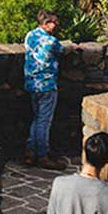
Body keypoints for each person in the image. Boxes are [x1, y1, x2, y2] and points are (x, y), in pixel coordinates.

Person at [23, 10, 68, 168]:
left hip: (31, 84)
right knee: (44, 121)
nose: (55, 25)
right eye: (53, 22)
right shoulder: (51, 41)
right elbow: (63, 50)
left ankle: (30, 150)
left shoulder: (30, 35)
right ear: (45, 23)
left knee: (36, 118)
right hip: (47, 85)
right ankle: (42, 155)